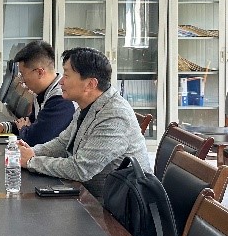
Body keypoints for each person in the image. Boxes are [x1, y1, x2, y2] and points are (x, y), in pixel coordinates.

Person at [18, 47, 150, 200]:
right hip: (88, 193)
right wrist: (32, 152)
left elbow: (81, 169)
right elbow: (63, 143)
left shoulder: (115, 115)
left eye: (67, 75)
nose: (61, 82)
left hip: (116, 205)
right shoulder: (88, 105)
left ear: (90, 84)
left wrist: (32, 161)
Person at [0, 41, 75, 146]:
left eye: (22, 74)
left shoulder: (61, 99)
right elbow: (31, 122)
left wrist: (23, 128)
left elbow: (36, 139)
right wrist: (4, 127)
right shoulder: (42, 93)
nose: (21, 81)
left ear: (40, 72)